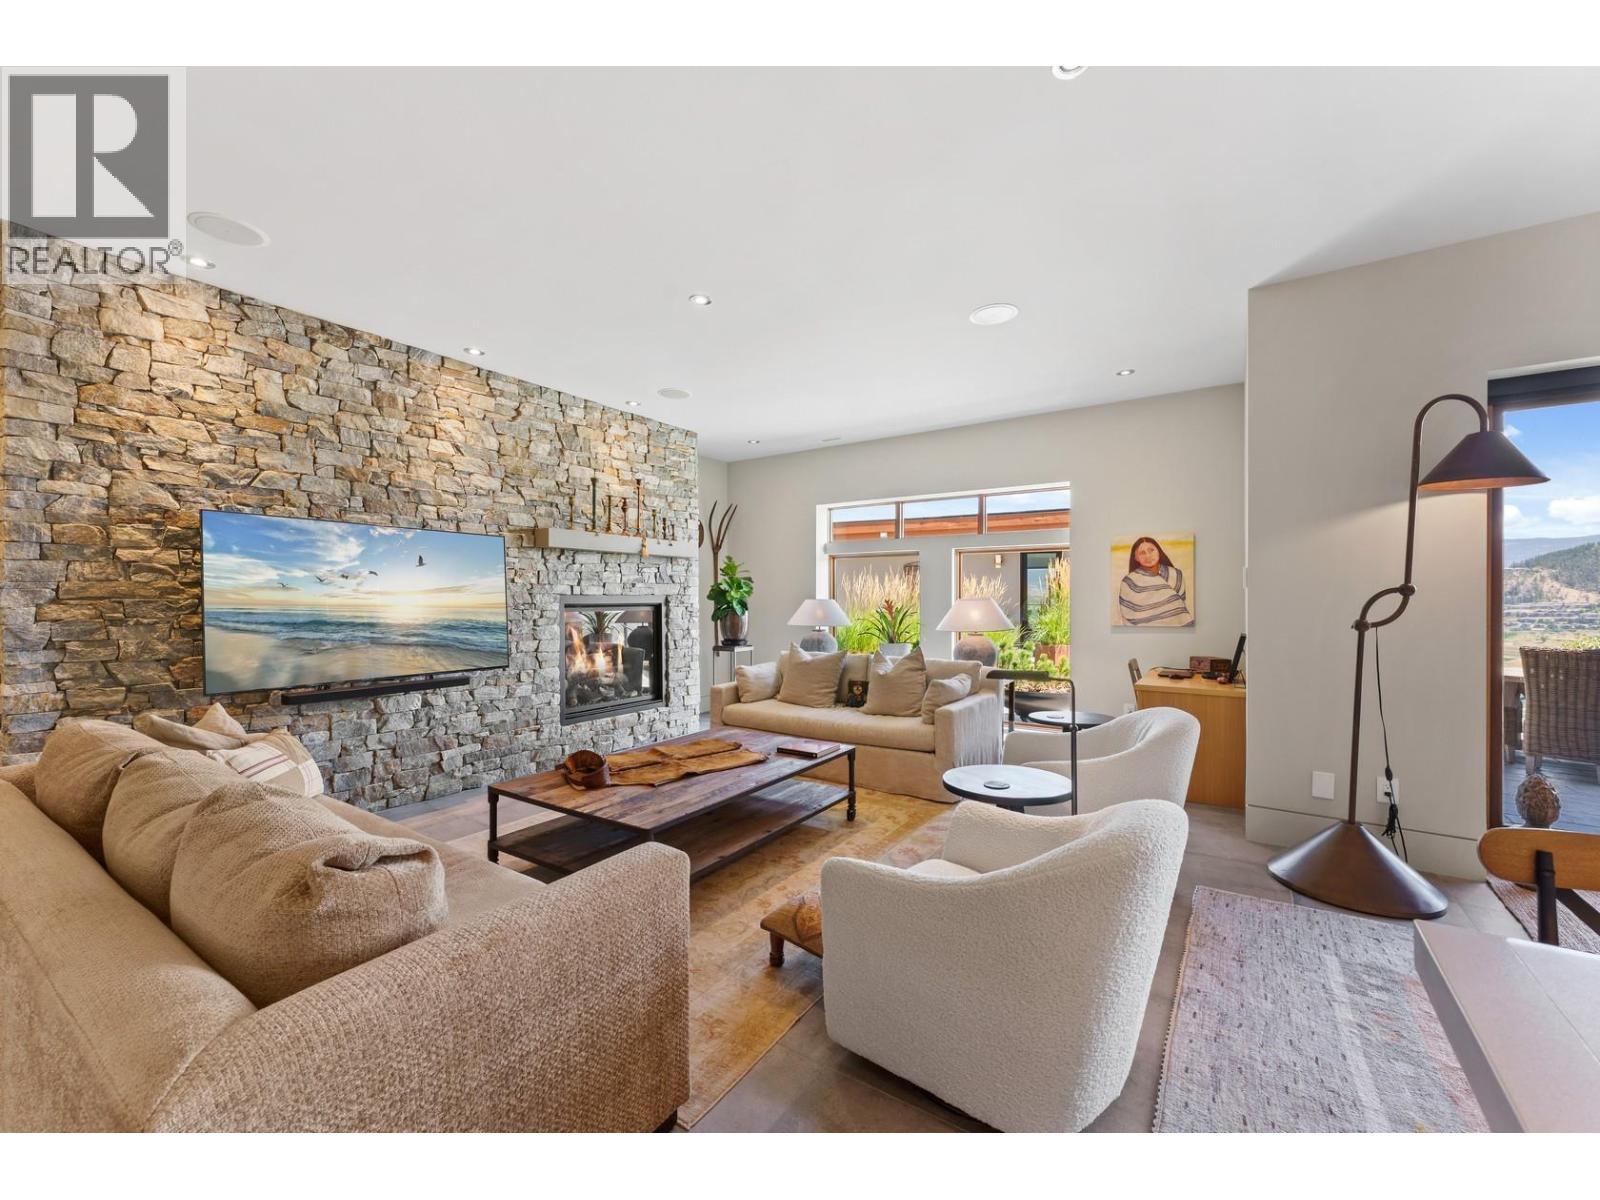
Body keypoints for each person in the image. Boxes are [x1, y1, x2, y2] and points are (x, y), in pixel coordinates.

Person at [1117, 536, 1192, 627]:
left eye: (1151, 550)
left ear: (1158, 551)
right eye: (1142, 553)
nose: (1148, 556)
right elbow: (1128, 614)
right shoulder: (1129, 582)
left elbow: (1181, 608)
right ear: (1136, 557)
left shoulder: (1176, 574)